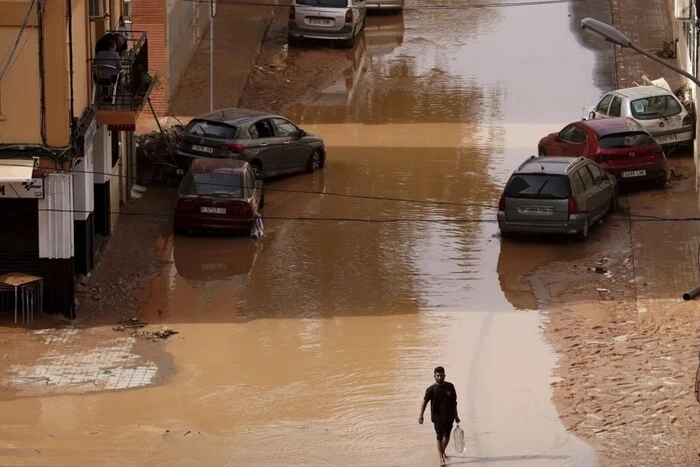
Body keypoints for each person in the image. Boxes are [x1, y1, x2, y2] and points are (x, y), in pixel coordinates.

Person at [419, 366, 460, 466]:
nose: (440, 377)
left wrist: (456, 416)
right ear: (434, 376)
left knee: (447, 436)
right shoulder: (431, 390)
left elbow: (454, 403)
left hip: (449, 416)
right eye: (438, 376)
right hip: (437, 418)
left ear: (444, 376)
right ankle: (441, 457)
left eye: (441, 375)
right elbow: (424, 402)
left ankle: (442, 451)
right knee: (439, 437)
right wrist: (421, 415)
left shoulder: (450, 387)